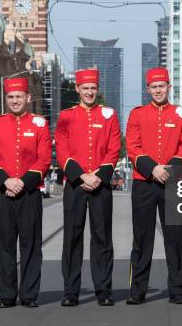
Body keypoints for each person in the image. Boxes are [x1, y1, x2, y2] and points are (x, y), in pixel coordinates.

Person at [125, 67, 182, 305]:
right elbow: (132, 147)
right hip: (144, 182)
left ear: (168, 88)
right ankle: (137, 291)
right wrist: (153, 169)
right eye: (154, 87)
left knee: (175, 237)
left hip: (172, 183)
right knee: (142, 239)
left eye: (161, 86)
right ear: (147, 90)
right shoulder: (137, 114)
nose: (158, 90)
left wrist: (168, 171)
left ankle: (178, 290)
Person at [55, 68, 121, 307]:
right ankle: (70, 291)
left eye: (93, 88)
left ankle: (103, 289)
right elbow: (62, 151)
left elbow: (114, 149)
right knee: (72, 237)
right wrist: (81, 175)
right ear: (77, 89)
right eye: (86, 88)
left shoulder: (109, 115)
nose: (90, 92)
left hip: (100, 185)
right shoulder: (66, 116)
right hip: (75, 184)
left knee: (102, 238)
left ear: (97, 89)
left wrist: (99, 175)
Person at [0, 78, 52, 308]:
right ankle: (6, 294)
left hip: (29, 193)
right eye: (11, 97)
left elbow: (44, 159)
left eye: (19, 96)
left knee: (31, 245)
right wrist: (6, 181)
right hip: (3, 194)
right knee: (4, 246)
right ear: (6, 99)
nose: (15, 100)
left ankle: (29, 294)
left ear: (28, 98)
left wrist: (22, 182)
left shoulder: (39, 124)